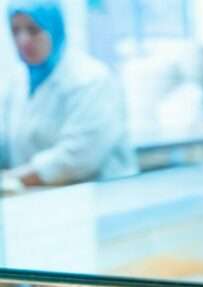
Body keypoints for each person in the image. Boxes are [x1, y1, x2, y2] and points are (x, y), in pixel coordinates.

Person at [0, 0, 135, 188]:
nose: (23, 40)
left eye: (33, 30)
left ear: (54, 28)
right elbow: (6, 145)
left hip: (97, 201)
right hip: (39, 201)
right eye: (15, 31)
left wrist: (13, 179)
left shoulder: (90, 78)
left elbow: (79, 156)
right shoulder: (17, 82)